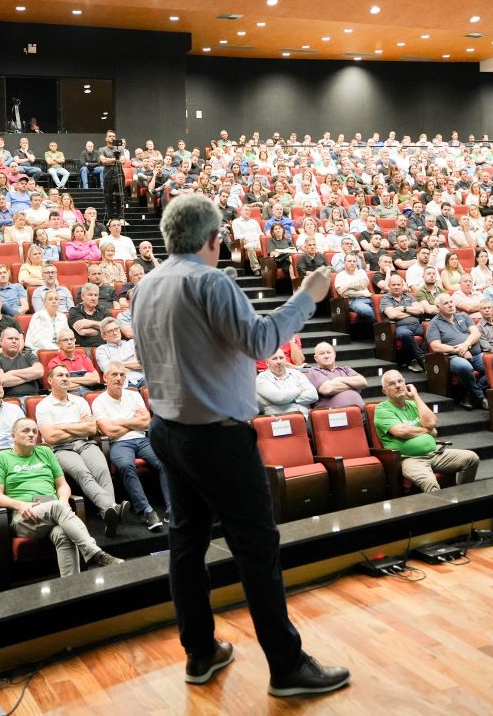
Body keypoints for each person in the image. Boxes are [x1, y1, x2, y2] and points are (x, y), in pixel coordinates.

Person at [131, 193, 349, 696]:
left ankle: (200, 653)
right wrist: (308, 295)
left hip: (167, 431)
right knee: (256, 546)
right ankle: (288, 668)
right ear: (214, 238)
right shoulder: (210, 281)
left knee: (186, 544)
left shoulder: (147, 284)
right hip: (217, 439)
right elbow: (261, 342)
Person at [0, 418, 123, 577]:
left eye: (34, 431)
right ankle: (95, 555)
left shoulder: (45, 452)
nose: (31, 434)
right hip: (24, 514)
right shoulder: (0, 458)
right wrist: (20, 505)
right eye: (25, 431)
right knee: (57, 507)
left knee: (62, 533)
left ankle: (71, 587)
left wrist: (64, 501)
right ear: (13, 436)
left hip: (53, 509)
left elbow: (62, 485)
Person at [35, 365, 128, 536]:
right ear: (49, 381)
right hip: (61, 449)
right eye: (60, 375)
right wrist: (79, 425)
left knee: (102, 470)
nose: (65, 378)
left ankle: (108, 515)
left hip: (85, 444)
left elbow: (91, 429)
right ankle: (111, 508)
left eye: (67, 375)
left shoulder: (80, 400)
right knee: (82, 472)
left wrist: (62, 427)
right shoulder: (43, 406)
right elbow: (50, 437)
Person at [373, 369, 480, 492]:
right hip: (410, 459)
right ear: (384, 391)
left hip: (434, 453)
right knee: (430, 483)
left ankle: (462, 497)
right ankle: (441, 510)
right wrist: (427, 431)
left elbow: (432, 423)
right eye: (392, 384)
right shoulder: (382, 409)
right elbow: (402, 431)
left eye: (400, 381)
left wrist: (416, 397)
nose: (398, 385)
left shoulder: (413, 404)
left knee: (471, 458)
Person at [92, 363, 169, 532]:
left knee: (165, 461)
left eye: (121, 375)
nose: (118, 378)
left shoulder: (134, 395)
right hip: (119, 444)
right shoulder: (98, 402)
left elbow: (146, 422)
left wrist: (119, 422)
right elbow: (109, 432)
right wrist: (134, 423)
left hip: (141, 439)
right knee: (126, 466)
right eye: (114, 375)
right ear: (105, 378)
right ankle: (147, 511)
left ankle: (171, 508)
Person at [425, 294, 486, 410]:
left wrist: (465, 345)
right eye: (446, 303)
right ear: (438, 308)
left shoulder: (463, 316)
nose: (450, 305)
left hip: (475, 354)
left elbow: (476, 333)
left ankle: (469, 395)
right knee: (464, 367)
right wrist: (458, 350)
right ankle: (480, 398)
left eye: (451, 302)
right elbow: (435, 346)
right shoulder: (434, 323)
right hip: (452, 357)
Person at [304, 342, 367, 410]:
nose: (326, 356)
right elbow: (328, 389)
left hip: (359, 413)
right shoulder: (314, 372)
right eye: (322, 353)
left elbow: (363, 382)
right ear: (316, 358)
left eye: (329, 352)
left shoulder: (346, 369)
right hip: (333, 416)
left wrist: (339, 379)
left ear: (334, 354)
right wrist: (355, 386)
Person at [0, 328, 45, 399]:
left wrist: (11, 373)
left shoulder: (28, 355)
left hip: (34, 398)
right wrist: (31, 376)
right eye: (10, 338)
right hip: (10, 400)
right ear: (1, 341)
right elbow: (2, 381)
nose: (14, 341)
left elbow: (39, 372)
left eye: (17, 339)